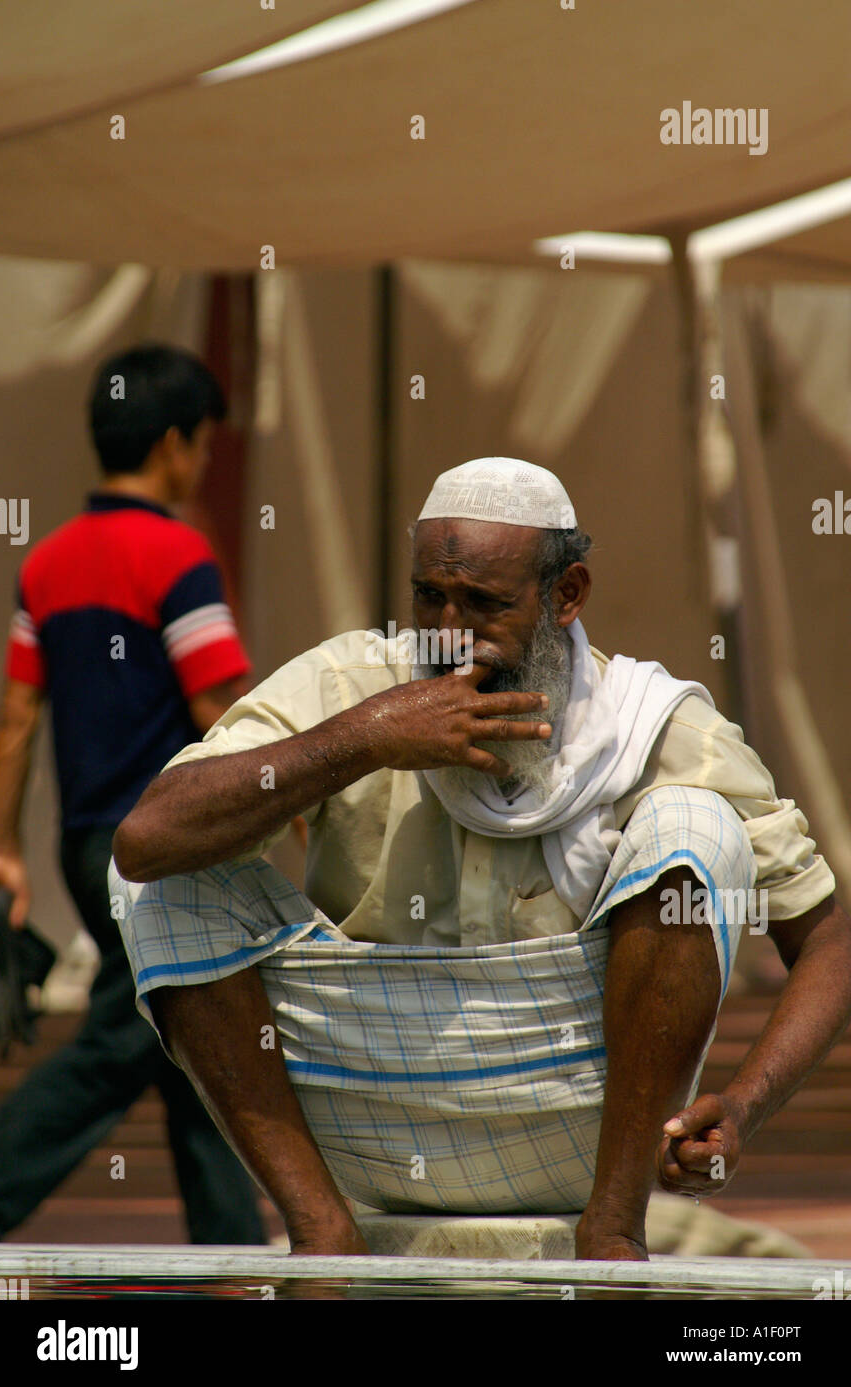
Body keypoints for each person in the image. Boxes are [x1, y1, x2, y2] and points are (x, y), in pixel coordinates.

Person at [110, 457, 851, 1261]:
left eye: (486, 603)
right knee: (157, 887)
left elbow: (828, 942)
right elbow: (145, 841)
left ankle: (612, 1230)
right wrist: (363, 740)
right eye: (431, 595)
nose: (449, 630)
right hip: (366, 1117)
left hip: (580, 1124)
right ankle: (324, 1233)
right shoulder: (352, 683)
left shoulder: (655, 729)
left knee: (696, 827)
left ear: (567, 596)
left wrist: (742, 1106)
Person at [0, 343, 267, 1244]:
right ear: (177, 445)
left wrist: (3, 848)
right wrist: (301, 796)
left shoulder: (48, 564)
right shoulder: (178, 558)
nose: (204, 463)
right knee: (125, 1042)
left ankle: (231, 1248)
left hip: (82, 848)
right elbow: (222, 701)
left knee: (190, 1035)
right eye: (205, 446)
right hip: (162, 855)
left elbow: (16, 723)